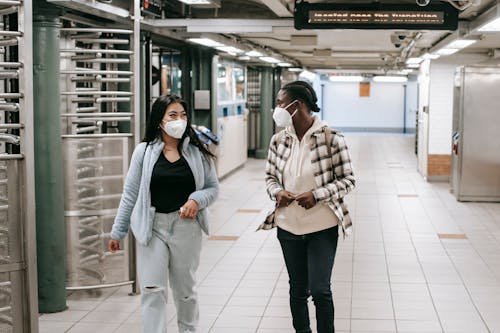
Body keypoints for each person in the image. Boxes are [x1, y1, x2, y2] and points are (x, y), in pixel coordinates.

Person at [108, 94, 219, 333]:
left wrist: (196, 200)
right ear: (160, 120)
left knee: (185, 291)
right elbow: (130, 194)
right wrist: (118, 231)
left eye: (183, 115)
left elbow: (212, 188)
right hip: (152, 227)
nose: (179, 120)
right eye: (173, 115)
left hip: (186, 228)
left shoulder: (198, 151)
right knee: (152, 290)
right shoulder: (144, 152)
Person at [260, 80, 355, 333]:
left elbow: (348, 180)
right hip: (288, 226)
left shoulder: (332, 139)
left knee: (320, 290)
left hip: (322, 225)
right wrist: (277, 191)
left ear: (297, 105)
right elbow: (269, 177)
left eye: (280, 103)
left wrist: (317, 194)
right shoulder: (279, 140)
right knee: (298, 289)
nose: (276, 108)